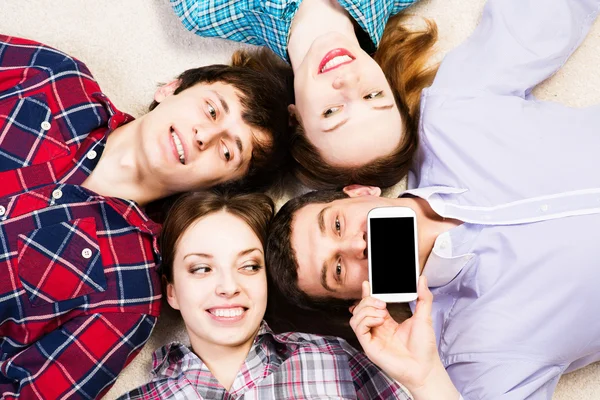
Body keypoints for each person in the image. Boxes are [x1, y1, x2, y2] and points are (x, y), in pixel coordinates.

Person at [266, 0, 600, 398]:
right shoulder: (470, 352)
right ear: (356, 303)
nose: (356, 245)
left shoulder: (451, 115)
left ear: (359, 191)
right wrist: (424, 380)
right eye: (337, 269)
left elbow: (547, 14)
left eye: (337, 224)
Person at [0, 35, 291, 399]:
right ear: (173, 88)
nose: (204, 135)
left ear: (219, 186)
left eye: (227, 150)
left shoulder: (128, 296)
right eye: (212, 110)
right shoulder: (55, 76)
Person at [119, 190, 453, 399]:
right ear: (172, 292)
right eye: (201, 269)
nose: (228, 286)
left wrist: (426, 379)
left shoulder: (335, 359)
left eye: (249, 266)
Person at [170, 0, 438, 189]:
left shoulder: (204, 10)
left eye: (331, 112)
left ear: (294, 117)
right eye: (373, 95)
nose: (347, 80)